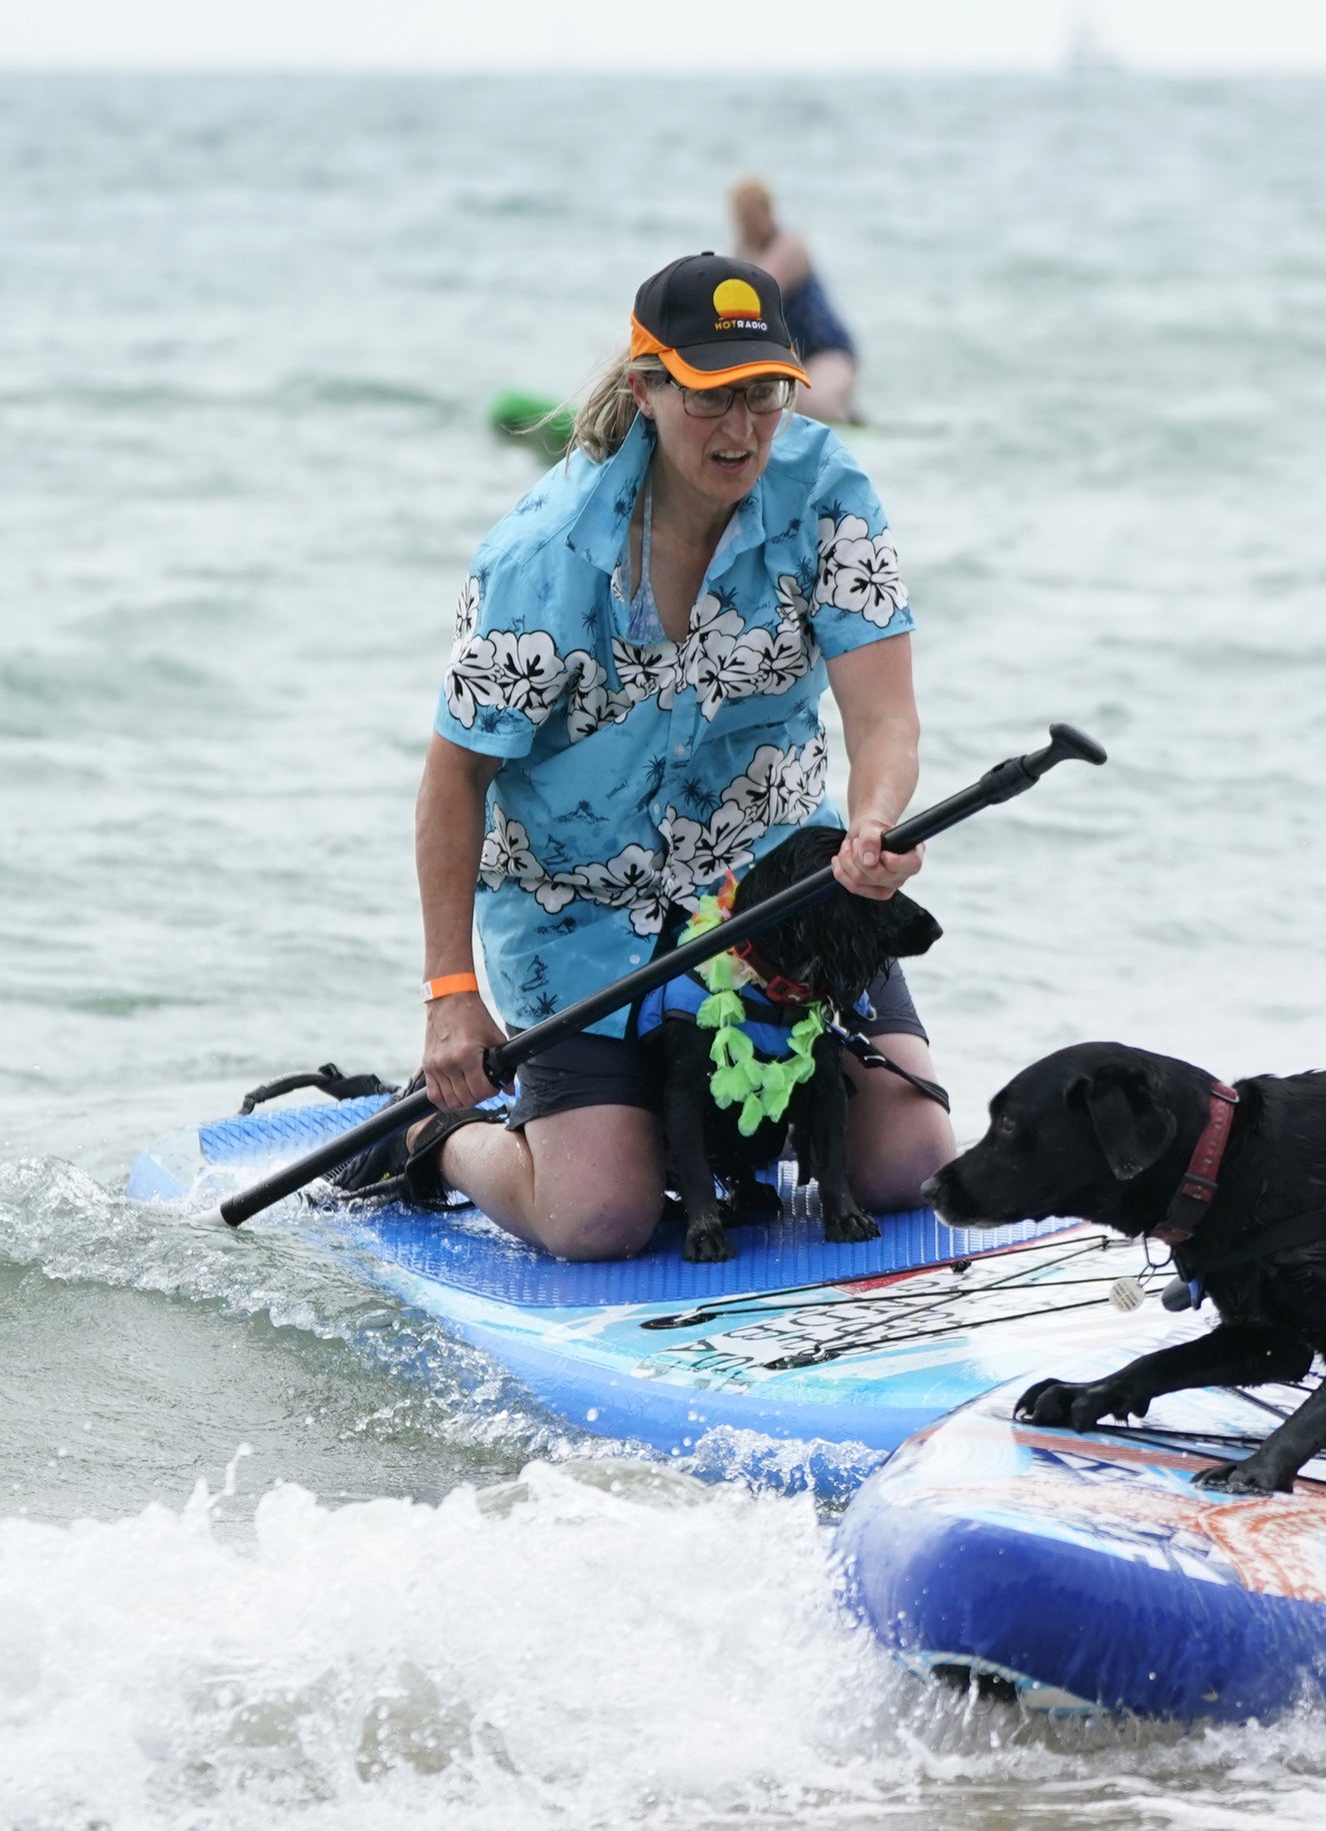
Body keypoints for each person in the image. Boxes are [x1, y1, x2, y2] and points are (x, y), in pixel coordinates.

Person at [359, 250, 953, 1260]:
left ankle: (730, 1139)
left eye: (764, 396)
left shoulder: (831, 493)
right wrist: (450, 995)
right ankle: (431, 1129)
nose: (742, 431)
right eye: (712, 399)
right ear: (648, 388)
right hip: (580, 911)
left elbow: (884, 717)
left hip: (772, 893)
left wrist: (873, 822)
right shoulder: (540, 555)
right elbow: (454, 777)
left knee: (909, 1165)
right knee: (599, 1221)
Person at [729, 178, 864, 424]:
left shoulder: (790, 246)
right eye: (741, 218)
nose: (746, 225)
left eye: (750, 216)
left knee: (814, 406)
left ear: (767, 211)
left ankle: (851, 419)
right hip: (790, 357)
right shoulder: (743, 252)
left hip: (826, 351)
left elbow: (762, 292)